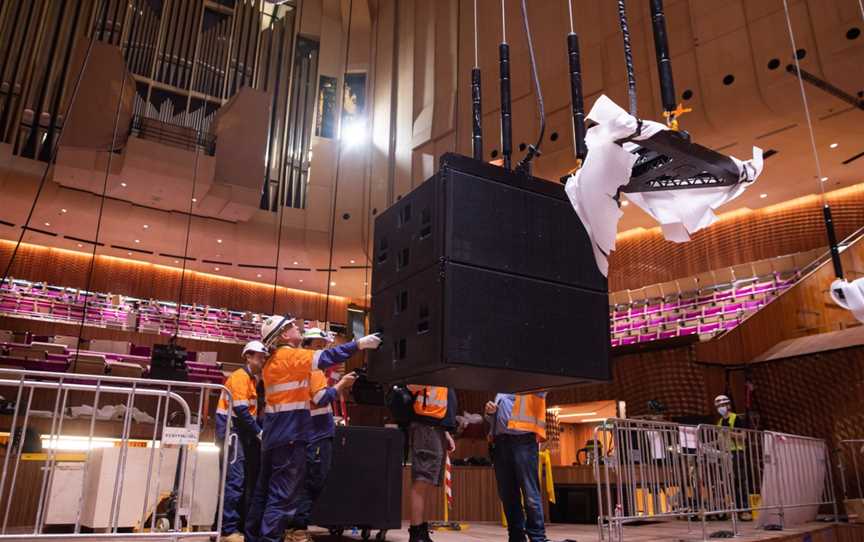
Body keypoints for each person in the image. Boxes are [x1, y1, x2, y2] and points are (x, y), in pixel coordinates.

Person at [245, 314, 381, 542]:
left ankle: (253, 537)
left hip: (273, 437)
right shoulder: (290, 356)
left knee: (262, 493)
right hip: (290, 437)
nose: (296, 327)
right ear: (283, 335)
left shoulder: (272, 362)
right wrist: (360, 343)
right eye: (290, 326)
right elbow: (328, 357)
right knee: (282, 497)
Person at [289, 328, 358, 542]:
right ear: (308, 345)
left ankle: (295, 528)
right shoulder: (314, 370)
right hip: (316, 433)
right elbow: (320, 398)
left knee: (309, 481)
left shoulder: (308, 369)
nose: (322, 348)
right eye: (318, 344)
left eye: (323, 344)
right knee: (313, 481)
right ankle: (297, 530)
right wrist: (342, 385)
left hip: (313, 431)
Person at [215, 340, 268, 542]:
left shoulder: (252, 380)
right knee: (234, 482)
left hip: (239, 434)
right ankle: (228, 531)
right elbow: (242, 411)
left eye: (263, 356)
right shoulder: (239, 378)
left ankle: (223, 528)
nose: (263, 359)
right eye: (260, 356)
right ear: (248, 356)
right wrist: (259, 433)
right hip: (233, 434)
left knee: (238, 482)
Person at [485, 392, 548, 542]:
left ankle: (537, 537)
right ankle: (516, 536)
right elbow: (496, 419)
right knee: (507, 494)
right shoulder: (500, 390)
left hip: (524, 441)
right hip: (501, 442)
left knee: (530, 494)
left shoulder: (532, 381)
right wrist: (489, 412)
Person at [405, 385, 457, 542]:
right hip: (426, 426)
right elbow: (411, 385)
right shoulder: (426, 365)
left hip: (436, 427)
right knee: (422, 480)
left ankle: (421, 530)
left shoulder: (442, 370)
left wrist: (445, 432)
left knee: (427, 482)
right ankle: (416, 533)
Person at [715, 394, 753, 522]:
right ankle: (736, 509)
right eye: (718, 406)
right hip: (725, 454)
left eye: (722, 405)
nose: (720, 408)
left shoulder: (736, 418)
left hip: (737, 452)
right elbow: (720, 439)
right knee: (731, 483)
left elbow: (743, 436)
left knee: (741, 481)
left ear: (728, 405)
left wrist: (729, 433)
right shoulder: (719, 422)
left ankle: (745, 510)